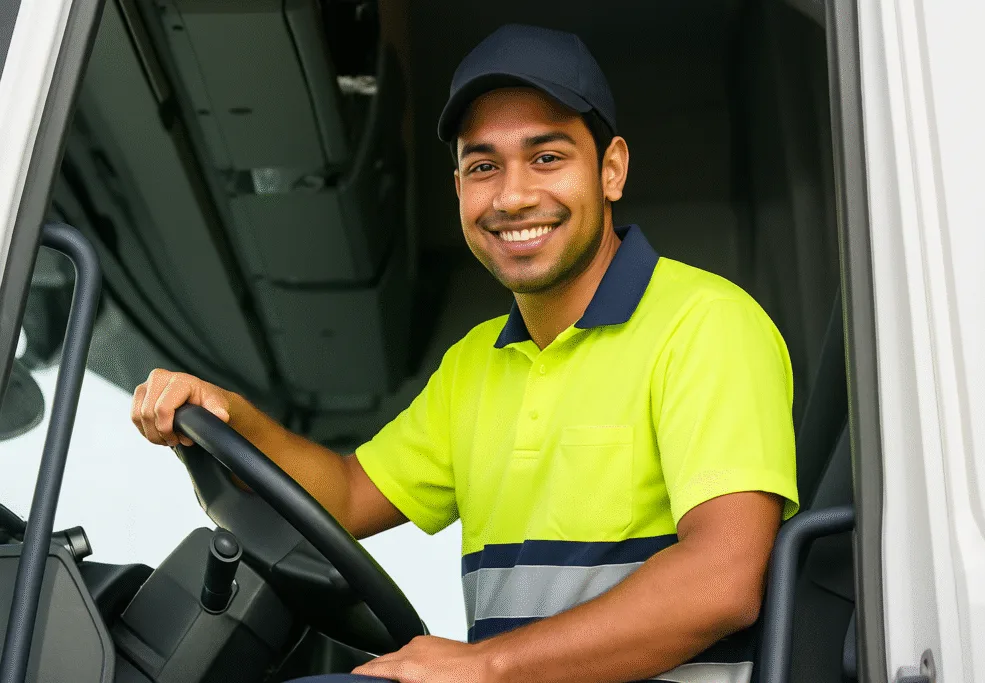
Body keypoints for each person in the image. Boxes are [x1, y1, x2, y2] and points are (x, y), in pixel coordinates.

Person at [132, 23, 799, 683]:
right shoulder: (474, 364)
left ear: (611, 169)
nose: (512, 196)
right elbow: (347, 496)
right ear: (458, 190)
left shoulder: (705, 324)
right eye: (483, 166)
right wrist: (230, 415)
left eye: (547, 157)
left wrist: (485, 665)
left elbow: (722, 579)